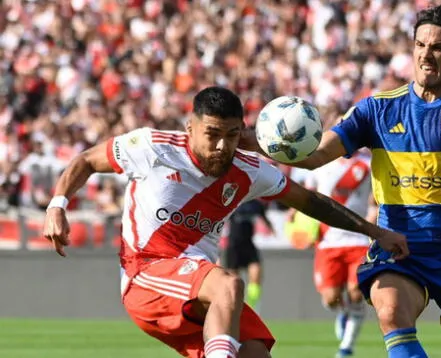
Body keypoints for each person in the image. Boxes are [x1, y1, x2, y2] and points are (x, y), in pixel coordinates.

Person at [42, 86, 408, 358]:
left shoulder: (251, 170)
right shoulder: (154, 147)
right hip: (145, 274)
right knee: (229, 283)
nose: (221, 146)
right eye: (212, 135)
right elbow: (87, 160)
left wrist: (374, 231)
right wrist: (58, 204)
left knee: (255, 354)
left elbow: (312, 202)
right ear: (191, 127)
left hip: (196, 289)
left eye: (231, 135)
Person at [240, 5, 441, 357]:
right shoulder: (376, 110)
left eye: (437, 47)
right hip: (399, 247)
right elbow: (315, 157)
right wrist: (264, 145)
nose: (426, 55)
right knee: (390, 310)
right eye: (420, 45)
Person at [302, 152, 374, 357]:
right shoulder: (319, 163)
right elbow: (308, 196)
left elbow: (377, 194)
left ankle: (346, 346)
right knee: (331, 298)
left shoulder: (367, 163)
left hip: (359, 239)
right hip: (328, 241)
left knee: (356, 292)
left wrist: (374, 209)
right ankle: (343, 313)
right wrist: (302, 226)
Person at [221, 198, 273, 312]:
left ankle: (253, 309)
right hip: (233, 246)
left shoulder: (255, 204)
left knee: (256, 275)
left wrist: (271, 229)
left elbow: (264, 218)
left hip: (249, 244)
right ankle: (234, 310)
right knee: (232, 283)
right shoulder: (232, 202)